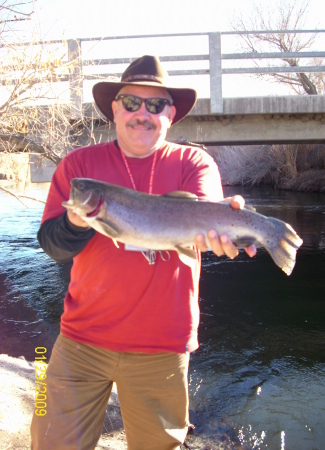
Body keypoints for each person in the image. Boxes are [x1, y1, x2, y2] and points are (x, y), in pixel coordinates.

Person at [30, 55, 256, 450]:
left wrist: (229, 230)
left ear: (170, 114)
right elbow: (52, 245)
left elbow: (207, 213)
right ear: (115, 109)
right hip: (81, 341)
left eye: (155, 105)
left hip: (163, 348)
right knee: (48, 443)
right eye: (131, 102)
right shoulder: (79, 167)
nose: (142, 113)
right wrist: (79, 222)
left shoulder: (194, 163)